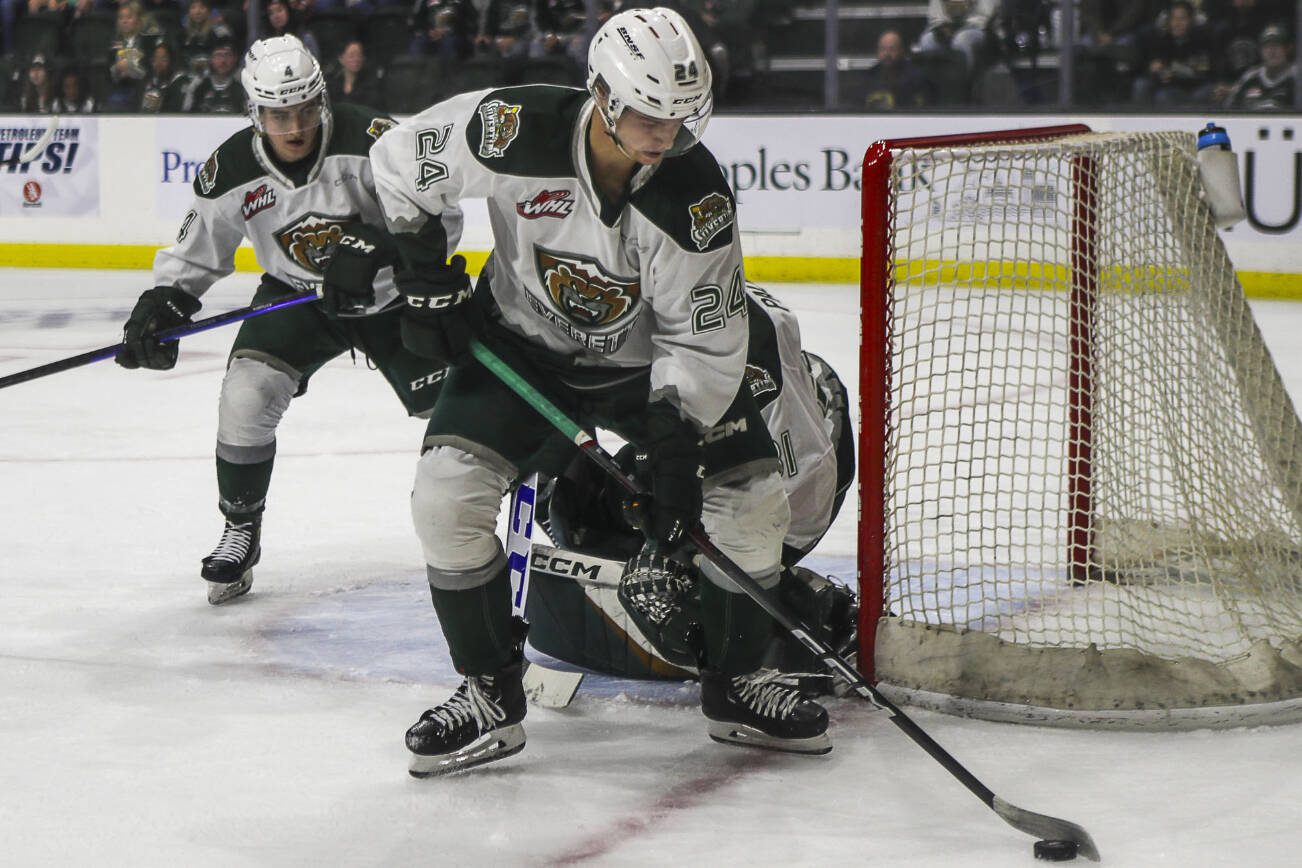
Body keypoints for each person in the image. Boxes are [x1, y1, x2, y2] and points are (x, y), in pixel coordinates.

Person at [368, 5, 832, 778]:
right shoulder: (513, 129)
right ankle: (488, 693)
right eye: (649, 114)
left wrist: (676, 441)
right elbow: (397, 159)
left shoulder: (695, 194)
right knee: (445, 499)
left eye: (681, 118)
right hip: (519, 353)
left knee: (749, 497)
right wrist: (424, 276)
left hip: (642, 372)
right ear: (603, 95)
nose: (664, 135)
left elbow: (703, 334)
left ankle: (739, 684)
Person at [114, 34, 445, 605]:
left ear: (322, 101)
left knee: (456, 410)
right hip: (296, 299)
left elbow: (439, 219)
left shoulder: (376, 141)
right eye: (277, 114)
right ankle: (242, 525)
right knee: (246, 396)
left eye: (303, 110)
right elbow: (196, 253)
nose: (293, 127)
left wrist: (381, 250)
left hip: (392, 302)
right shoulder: (232, 168)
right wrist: (163, 303)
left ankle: (515, 514)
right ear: (255, 112)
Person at [527, 282, 858, 684]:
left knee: (656, 588)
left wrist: (673, 547)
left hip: (792, 483)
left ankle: (807, 624)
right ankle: (737, 586)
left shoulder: (716, 339)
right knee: (572, 510)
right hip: (762, 424)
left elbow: (742, 462)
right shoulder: (677, 291)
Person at [1223, 22, 1296, 109]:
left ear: (1287, 49)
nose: (1272, 51)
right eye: (1267, 46)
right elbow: (1229, 110)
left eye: (1277, 45)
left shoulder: (1296, 77)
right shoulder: (1249, 78)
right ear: (1260, 50)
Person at [862, 28, 930, 110]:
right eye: (882, 49)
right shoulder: (868, 76)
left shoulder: (916, 78)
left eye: (892, 49)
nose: (886, 54)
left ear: (901, 51)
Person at [184, 37, 245, 113]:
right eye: (218, 55)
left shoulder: (243, 86)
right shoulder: (198, 85)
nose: (223, 61)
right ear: (211, 59)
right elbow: (187, 116)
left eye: (228, 55)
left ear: (235, 59)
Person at [326, 40, 384, 110]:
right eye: (351, 55)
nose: (356, 59)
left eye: (359, 55)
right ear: (341, 59)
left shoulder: (371, 84)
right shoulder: (332, 84)